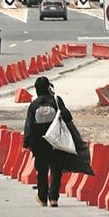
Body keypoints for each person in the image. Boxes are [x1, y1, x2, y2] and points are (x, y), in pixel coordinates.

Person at [23, 76, 73, 207]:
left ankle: (42, 197)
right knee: (56, 170)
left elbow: (28, 125)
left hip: (39, 143)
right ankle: (53, 198)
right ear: (48, 88)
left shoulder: (33, 105)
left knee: (42, 171)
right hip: (55, 141)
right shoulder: (56, 102)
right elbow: (68, 117)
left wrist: (26, 143)